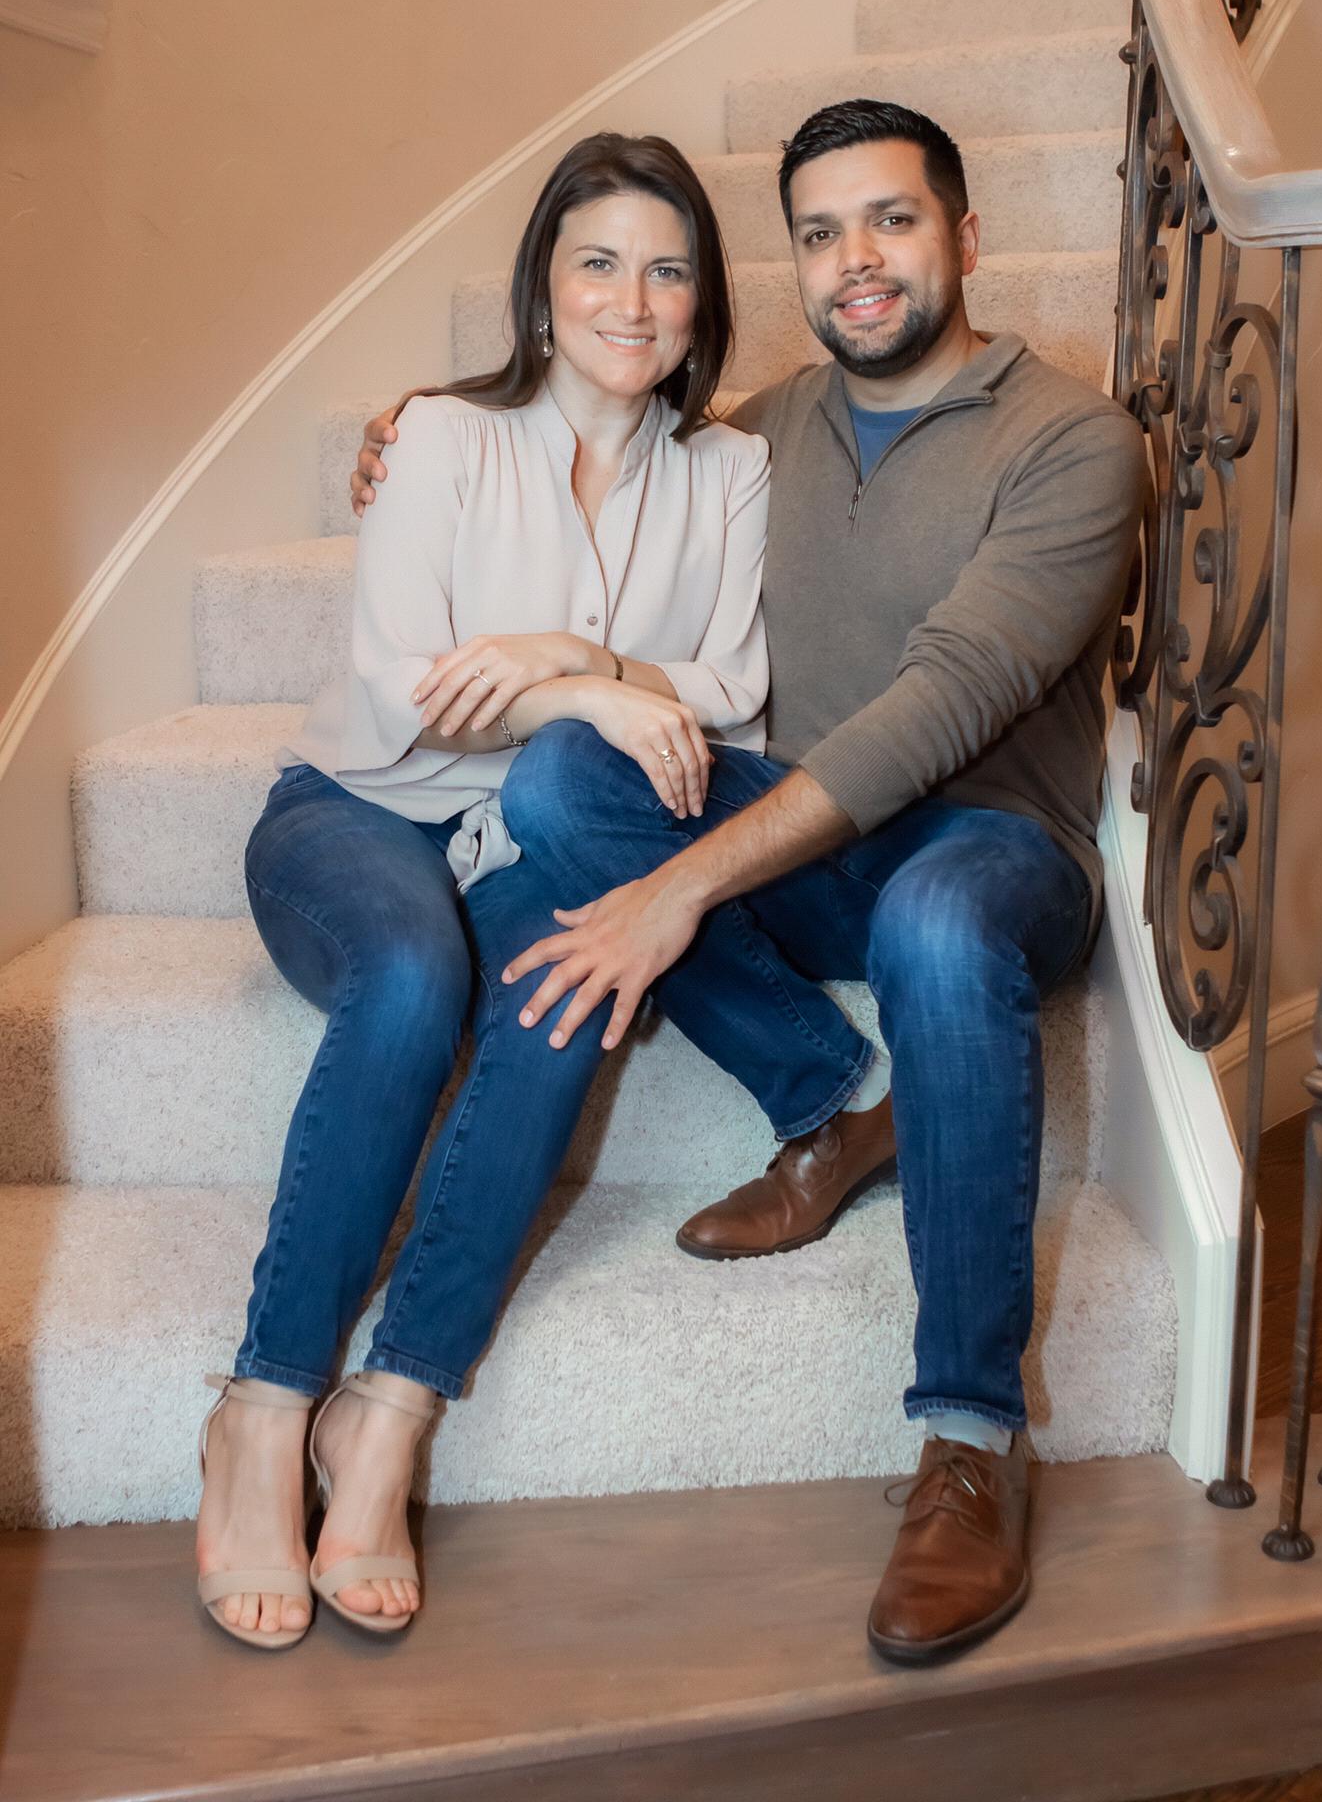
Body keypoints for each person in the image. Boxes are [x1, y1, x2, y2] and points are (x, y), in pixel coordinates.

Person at [353, 99, 1146, 1665]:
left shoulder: (1075, 442)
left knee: (933, 921)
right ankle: (833, 1105)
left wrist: (679, 894)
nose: (858, 261)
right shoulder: (765, 430)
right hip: (814, 834)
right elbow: (593, 409)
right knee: (565, 778)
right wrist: (429, 419)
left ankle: (970, 1439)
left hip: (994, 848)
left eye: (893, 219)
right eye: (820, 233)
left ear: (963, 235)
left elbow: (939, 707)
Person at [195, 131, 779, 1649]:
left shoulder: (733, 470)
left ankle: (386, 1414)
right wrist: (591, 699)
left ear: (703, 301)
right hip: (356, 812)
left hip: (526, 846)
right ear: (540, 288)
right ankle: (264, 1407)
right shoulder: (441, 439)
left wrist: (564, 657)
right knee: (412, 980)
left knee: (565, 988)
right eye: (598, 263)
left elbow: (733, 688)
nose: (631, 300)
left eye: (667, 269)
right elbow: (407, 692)